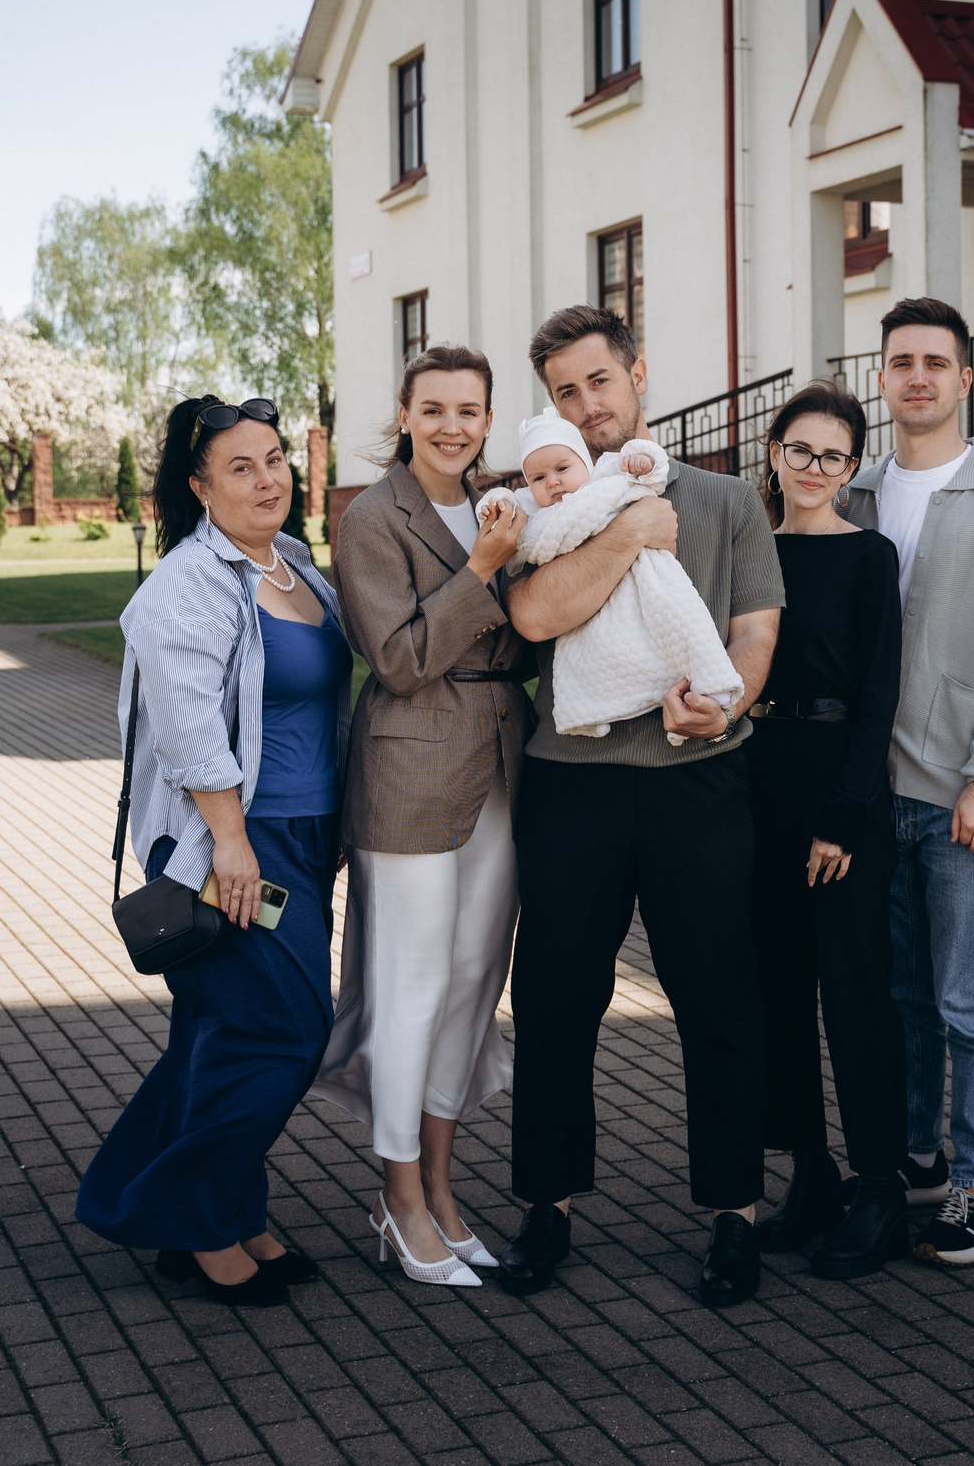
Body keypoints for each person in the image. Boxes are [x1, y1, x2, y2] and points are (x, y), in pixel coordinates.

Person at [494, 304, 784, 1308]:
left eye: (599, 381)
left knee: (718, 998)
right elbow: (537, 613)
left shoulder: (724, 499)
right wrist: (626, 529)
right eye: (565, 392)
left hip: (698, 778)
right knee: (556, 1000)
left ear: (638, 374)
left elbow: (754, 630)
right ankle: (546, 1206)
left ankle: (735, 1213)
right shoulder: (543, 499)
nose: (587, 406)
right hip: (571, 780)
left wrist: (727, 703)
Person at [76, 395, 350, 1308]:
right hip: (232, 840)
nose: (268, 479)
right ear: (199, 487)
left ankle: (222, 1212)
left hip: (302, 836)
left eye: (274, 459)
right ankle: (190, 1217)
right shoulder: (188, 584)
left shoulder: (294, 564)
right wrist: (231, 843)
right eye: (241, 467)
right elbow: (189, 728)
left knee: (219, 1032)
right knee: (286, 1030)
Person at [840, 298, 974, 1268]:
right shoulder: (857, 489)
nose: (917, 376)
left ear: (965, 378)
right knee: (901, 996)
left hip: (963, 793)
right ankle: (920, 1156)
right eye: (901, 361)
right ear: (881, 377)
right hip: (873, 793)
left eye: (935, 361)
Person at [316, 345, 532, 1289]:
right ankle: (397, 1196)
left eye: (469, 410)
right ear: (404, 414)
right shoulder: (373, 517)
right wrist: (482, 567)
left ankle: (441, 1188)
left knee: (473, 982)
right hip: (408, 765)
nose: (452, 426)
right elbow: (399, 660)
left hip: (500, 763)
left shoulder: (499, 503)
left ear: (488, 418)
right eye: (433, 408)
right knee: (412, 984)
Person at [742, 381, 912, 1279]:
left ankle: (879, 1187)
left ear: (851, 468)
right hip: (758, 786)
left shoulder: (869, 556)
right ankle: (810, 1174)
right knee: (778, 990)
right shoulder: (751, 551)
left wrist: (844, 818)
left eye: (833, 455)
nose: (814, 467)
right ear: (775, 453)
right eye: (800, 450)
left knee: (854, 995)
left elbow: (880, 694)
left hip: (840, 794)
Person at [477, 414, 741, 738]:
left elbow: (652, 471)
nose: (553, 482)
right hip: (583, 588)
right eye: (539, 477)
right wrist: (492, 505)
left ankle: (710, 683)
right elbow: (505, 500)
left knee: (678, 615)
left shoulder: (603, 475)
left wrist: (642, 461)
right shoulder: (534, 506)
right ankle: (599, 706)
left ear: (584, 462)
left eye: (562, 468)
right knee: (593, 647)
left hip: (642, 574)